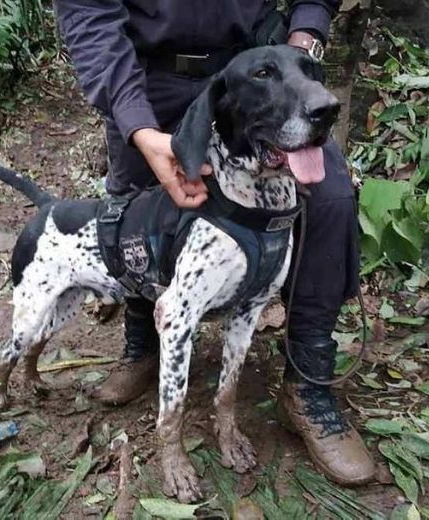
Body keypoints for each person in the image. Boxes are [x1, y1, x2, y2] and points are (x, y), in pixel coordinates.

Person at [55, 0, 375, 484]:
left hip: (256, 66)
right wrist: (138, 128)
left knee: (329, 200)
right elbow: (89, 18)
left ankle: (309, 380)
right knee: (136, 208)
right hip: (146, 78)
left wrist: (302, 46)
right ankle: (143, 346)